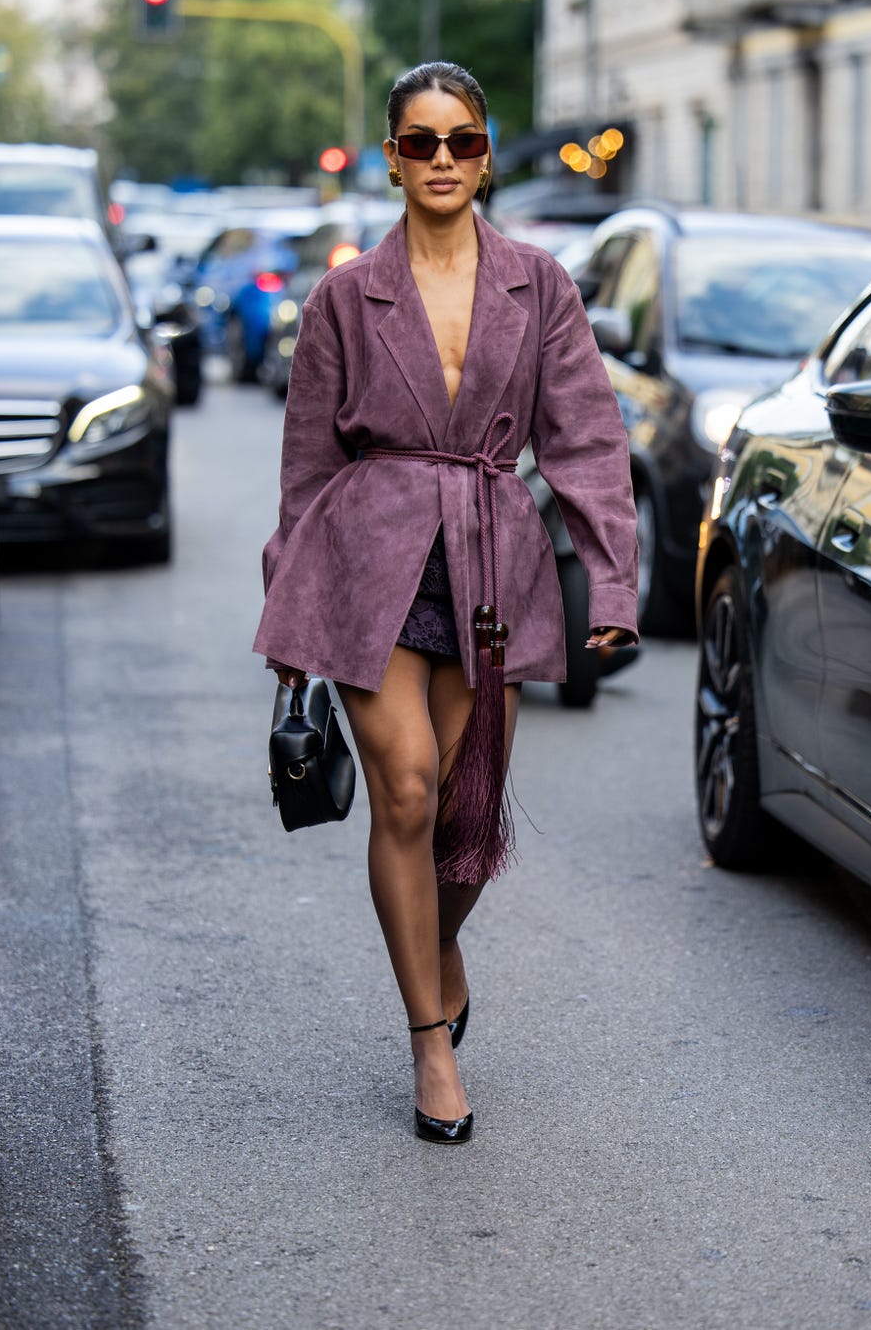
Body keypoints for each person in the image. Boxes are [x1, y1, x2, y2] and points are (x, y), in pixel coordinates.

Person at [254, 61, 639, 1145]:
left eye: (459, 141)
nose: (439, 161)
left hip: (488, 564)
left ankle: (439, 940)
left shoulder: (539, 283)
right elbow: (307, 461)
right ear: (388, 157)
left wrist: (609, 580)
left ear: (483, 152)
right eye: (417, 142)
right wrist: (290, 600)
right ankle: (429, 1040)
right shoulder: (344, 295)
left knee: (468, 822)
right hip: (367, 559)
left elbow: (585, 440)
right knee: (410, 793)